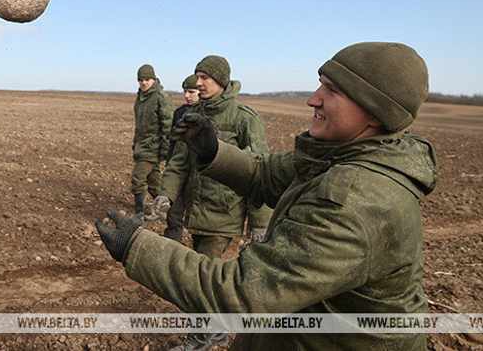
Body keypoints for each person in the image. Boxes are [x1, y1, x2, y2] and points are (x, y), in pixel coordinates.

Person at [97, 42, 437, 350]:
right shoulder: (338, 155)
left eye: (332, 91)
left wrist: (136, 246)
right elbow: (266, 174)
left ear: (375, 111)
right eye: (320, 84)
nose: (313, 99)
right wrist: (213, 151)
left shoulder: (356, 201)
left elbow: (241, 293)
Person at [152, 55, 271, 257]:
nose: (198, 83)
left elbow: (259, 173)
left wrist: (260, 223)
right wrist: (166, 194)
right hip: (196, 213)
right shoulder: (192, 115)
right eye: (197, 77)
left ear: (221, 80)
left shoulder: (244, 118)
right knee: (199, 265)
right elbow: (179, 162)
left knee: (202, 270)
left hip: (224, 215)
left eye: (204, 77)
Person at [147, 74, 200, 239]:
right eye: (185, 91)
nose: (186, 96)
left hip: (199, 175)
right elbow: (173, 141)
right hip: (178, 170)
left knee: (199, 222)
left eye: (191, 92)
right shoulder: (179, 113)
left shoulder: (209, 114)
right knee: (174, 214)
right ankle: (172, 245)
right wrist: (168, 162)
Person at [130, 64, 173, 218]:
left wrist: (166, 150)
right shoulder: (140, 97)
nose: (144, 83)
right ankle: (170, 211)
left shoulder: (160, 97)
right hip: (141, 145)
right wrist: (135, 143)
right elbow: (139, 125)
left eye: (147, 79)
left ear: (153, 79)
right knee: (154, 183)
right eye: (140, 80)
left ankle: (139, 213)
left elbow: (168, 125)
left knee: (138, 178)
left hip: (153, 147)